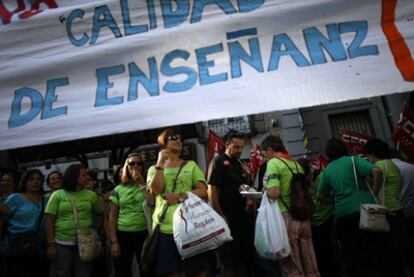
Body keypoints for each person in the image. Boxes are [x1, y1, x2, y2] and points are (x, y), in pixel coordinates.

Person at [317, 138, 386, 277]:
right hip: (364, 209)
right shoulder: (353, 161)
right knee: (376, 247)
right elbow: (377, 171)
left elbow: (319, 196)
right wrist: (375, 189)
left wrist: (334, 200)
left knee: (351, 253)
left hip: (343, 214)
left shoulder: (327, 170)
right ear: (344, 148)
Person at [147, 128, 208, 277]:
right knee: (171, 273)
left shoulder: (191, 165)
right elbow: (155, 191)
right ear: (163, 142)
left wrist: (179, 196)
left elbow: (203, 191)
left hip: (190, 227)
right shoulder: (153, 169)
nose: (179, 140)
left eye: (181, 139)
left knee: (196, 272)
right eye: (174, 137)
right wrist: (160, 164)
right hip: (165, 230)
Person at [260, 135, 320, 277]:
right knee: (310, 263)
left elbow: (274, 193)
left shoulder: (274, 163)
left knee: (293, 268)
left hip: (287, 219)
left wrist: (263, 192)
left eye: (264, 155)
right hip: (304, 218)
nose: (264, 159)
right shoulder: (296, 164)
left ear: (269, 150)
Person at [207, 130, 254, 277]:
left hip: (243, 219)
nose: (240, 150)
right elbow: (211, 189)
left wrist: (248, 176)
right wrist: (220, 215)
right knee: (229, 261)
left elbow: (244, 188)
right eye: (236, 147)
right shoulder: (219, 161)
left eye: (242, 147)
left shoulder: (239, 163)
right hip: (227, 219)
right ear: (228, 145)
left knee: (243, 258)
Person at [45, 164, 104, 277]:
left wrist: (95, 230)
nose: (87, 177)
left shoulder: (91, 195)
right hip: (61, 242)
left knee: (83, 273)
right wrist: (50, 244)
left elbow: (101, 214)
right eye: (84, 175)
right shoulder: (57, 195)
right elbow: (49, 221)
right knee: (62, 272)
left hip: (85, 241)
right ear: (74, 177)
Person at [363, 138, 407, 276]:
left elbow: (376, 188)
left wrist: (373, 187)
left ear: (372, 154)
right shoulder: (393, 164)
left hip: (386, 210)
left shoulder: (379, 166)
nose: (367, 159)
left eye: (367, 155)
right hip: (398, 208)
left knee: (387, 249)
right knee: (399, 245)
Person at [108, 152, 153, 277]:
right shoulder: (118, 189)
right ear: (126, 167)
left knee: (146, 269)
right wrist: (114, 241)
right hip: (123, 234)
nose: (135, 166)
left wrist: (142, 184)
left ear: (143, 167)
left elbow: (152, 202)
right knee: (123, 270)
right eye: (132, 163)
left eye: (139, 163)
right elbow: (112, 216)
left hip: (144, 233)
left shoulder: (149, 185)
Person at [0, 169, 49, 277]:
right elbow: (2, 220)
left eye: (38, 179)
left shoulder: (46, 200)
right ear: (25, 182)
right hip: (18, 246)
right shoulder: (15, 197)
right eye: (31, 179)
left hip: (40, 247)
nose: (35, 182)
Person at [297, 158, 339, 277]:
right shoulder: (301, 185)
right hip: (316, 223)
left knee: (326, 254)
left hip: (324, 221)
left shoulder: (320, 178)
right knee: (322, 254)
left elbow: (330, 195)